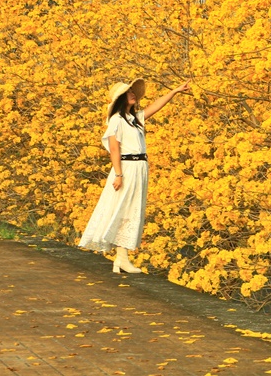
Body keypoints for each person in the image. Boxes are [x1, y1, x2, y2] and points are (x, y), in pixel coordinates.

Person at [78, 78, 190, 273]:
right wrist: (119, 175)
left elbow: (156, 106)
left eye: (133, 92)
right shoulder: (116, 120)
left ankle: (122, 258)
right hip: (126, 167)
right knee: (123, 208)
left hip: (140, 167)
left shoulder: (135, 119)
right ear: (121, 99)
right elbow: (114, 148)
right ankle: (121, 258)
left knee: (132, 210)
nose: (133, 94)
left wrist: (175, 91)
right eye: (128, 93)